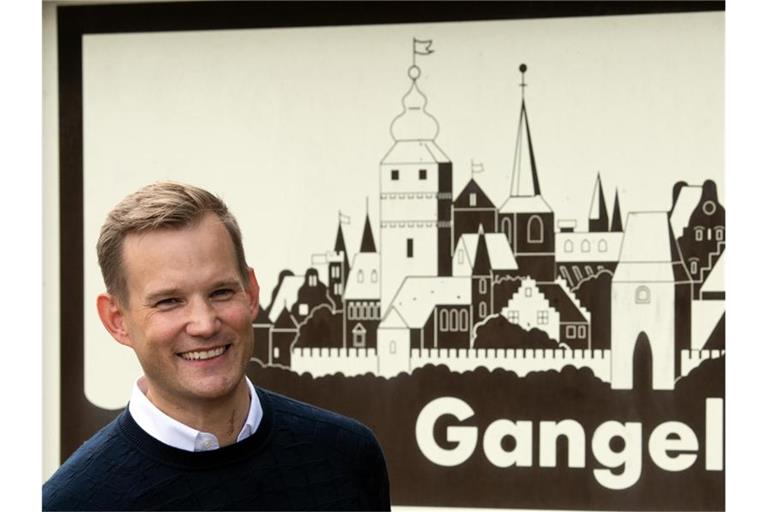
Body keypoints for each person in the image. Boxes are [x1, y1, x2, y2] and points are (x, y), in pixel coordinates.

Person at [43, 182, 391, 511]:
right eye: (169, 301)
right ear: (117, 320)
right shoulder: (70, 503)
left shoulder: (346, 456)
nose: (205, 323)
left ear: (251, 292)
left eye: (221, 292)